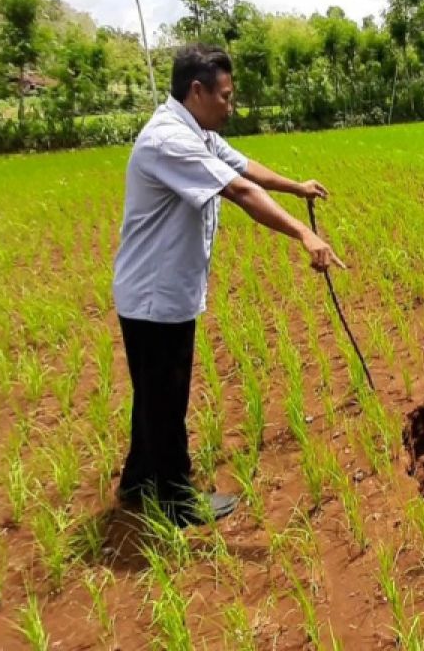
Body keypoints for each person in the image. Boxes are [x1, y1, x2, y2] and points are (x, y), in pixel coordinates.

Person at [112, 44, 345, 527]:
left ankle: (138, 480)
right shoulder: (168, 141)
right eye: (225, 95)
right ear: (196, 91)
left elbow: (244, 168)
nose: (230, 105)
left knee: (153, 391)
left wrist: (296, 186)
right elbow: (238, 191)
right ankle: (177, 500)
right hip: (155, 297)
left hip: (162, 292)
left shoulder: (196, 131)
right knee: (167, 395)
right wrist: (303, 233)